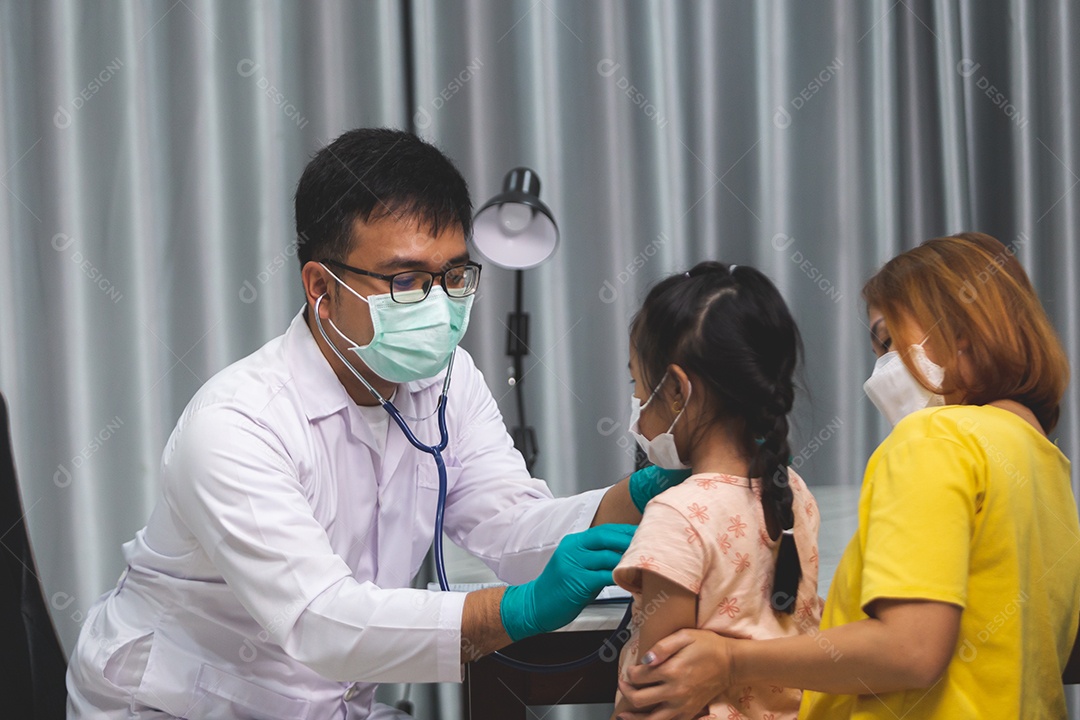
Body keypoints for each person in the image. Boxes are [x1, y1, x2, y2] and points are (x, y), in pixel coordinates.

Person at [66, 128, 684, 720]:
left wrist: (624, 502)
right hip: (176, 705)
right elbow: (321, 619)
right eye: (407, 280)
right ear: (321, 289)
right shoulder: (237, 425)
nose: (440, 305)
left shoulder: (450, 382)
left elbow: (507, 525)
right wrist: (516, 610)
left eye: (453, 276)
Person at [615, 233, 1080, 720]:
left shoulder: (935, 439)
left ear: (962, 330)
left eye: (887, 339)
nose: (879, 365)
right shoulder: (1042, 459)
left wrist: (730, 659)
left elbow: (911, 650)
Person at [609, 262, 821, 720]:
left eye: (637, 384)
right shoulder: (794, 493)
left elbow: (655, 695)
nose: (636, 407)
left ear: (677, 391)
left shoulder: (676, 515)